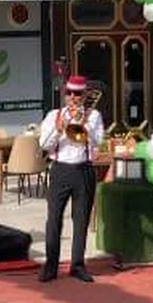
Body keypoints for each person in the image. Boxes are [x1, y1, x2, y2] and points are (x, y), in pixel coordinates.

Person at [38, 75, 104, 283]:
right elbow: (44, 145)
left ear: (84, 95)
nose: (73, 98)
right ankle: (51, 265)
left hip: (83, 169)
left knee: (81, 219)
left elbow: (98, 142)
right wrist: (60, 128)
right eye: (70, 93)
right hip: (60, 170)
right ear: (65, 95)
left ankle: (77, 265)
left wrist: (84, 126)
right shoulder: (54, 115)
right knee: (54, 219)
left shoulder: (94, 116)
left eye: (78, 94)